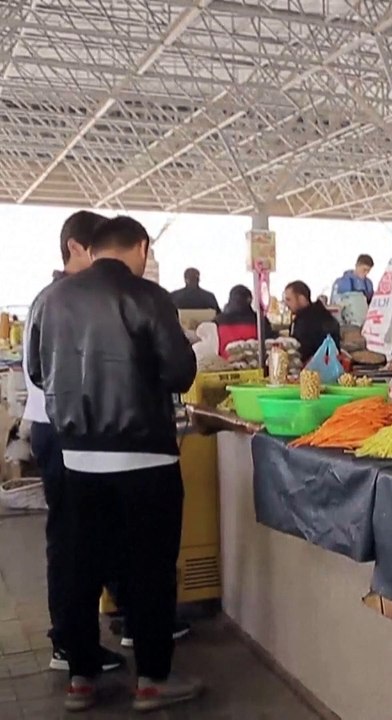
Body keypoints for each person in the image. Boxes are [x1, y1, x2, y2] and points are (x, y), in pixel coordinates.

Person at [26, 215, 203, 712]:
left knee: (82, 567)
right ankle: (151, 679)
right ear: (141, 248)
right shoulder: (148, 296)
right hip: (145, 454)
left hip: (77, 457)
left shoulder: (51, 299)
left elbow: (38, 373)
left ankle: (81, 678)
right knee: (149, 569)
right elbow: (180, 371)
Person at [23, 211, 127, 675]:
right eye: (101, 253)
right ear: (76, 249)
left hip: (76, 427)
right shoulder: (57, 300)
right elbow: (41, 372)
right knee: (70, 541)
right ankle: (68, 643)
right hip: (61, 428)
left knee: (93, 536)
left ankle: (96, 631)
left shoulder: (68, 298)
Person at [283, 281, 340, 362]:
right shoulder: (318, 314)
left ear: (301, 298)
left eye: (289, 299)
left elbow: (302, 351)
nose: (286, 304)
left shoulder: (310, 321)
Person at [214, 285, 276, 356]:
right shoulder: (259, 320)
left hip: (224, 363)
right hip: (255, 362)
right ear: (249, 300)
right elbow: (269, 343)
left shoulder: (218, 321)